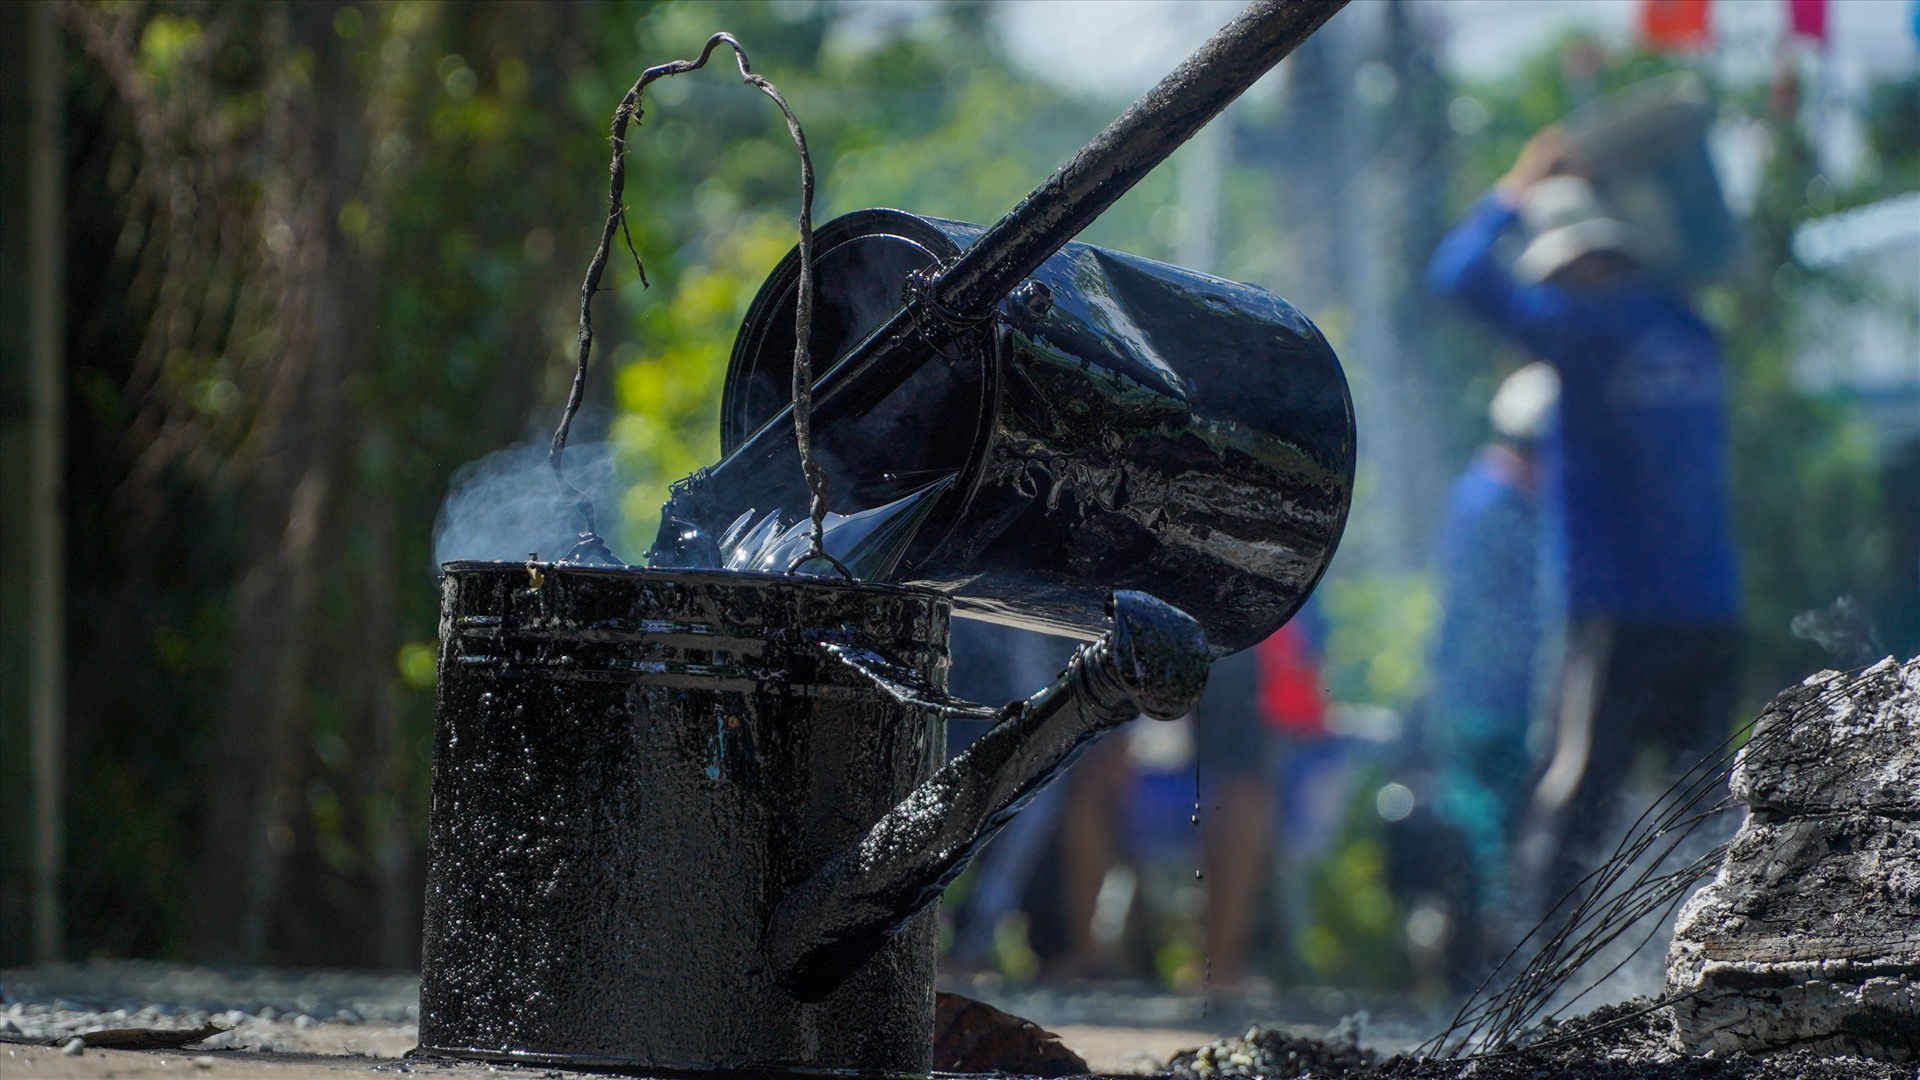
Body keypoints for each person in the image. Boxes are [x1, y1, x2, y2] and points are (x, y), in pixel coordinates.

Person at [1426, 127, 1742, 919]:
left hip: (1615, 612)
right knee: (1699, 802)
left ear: (1571, 266)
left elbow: (1457, 276)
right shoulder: (1690, 331)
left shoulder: (1586, 332)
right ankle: (1718, 962)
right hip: (1710, 611)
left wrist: (1515, 189)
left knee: (1580, 792)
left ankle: (1540, 999)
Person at [1424, 362, 1557, 939]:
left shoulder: (1484, 497)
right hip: (1487, 705)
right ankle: (1489, 965)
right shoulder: (1493, 506)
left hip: (1494, 700)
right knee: (1487, 845)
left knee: (1495, 838)